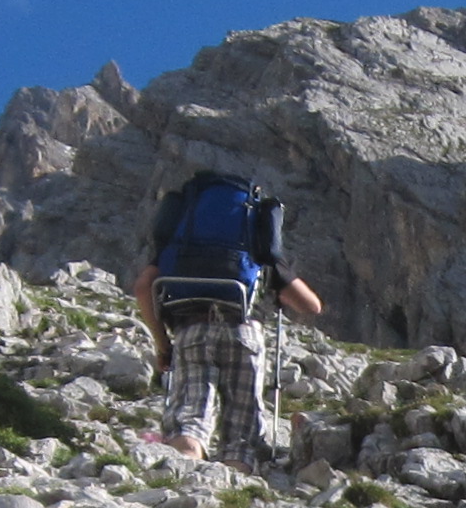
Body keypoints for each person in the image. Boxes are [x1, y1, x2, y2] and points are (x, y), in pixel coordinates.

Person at [132, 170, 324, 472]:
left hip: (190, 330)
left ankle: (184, 483)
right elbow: (311, 305)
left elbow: (144, 287)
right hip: (244, 330)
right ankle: (232, 493)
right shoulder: (257, 247)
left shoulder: (181, 243)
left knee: (190, 422)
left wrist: (162, 345)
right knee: (242, 437)